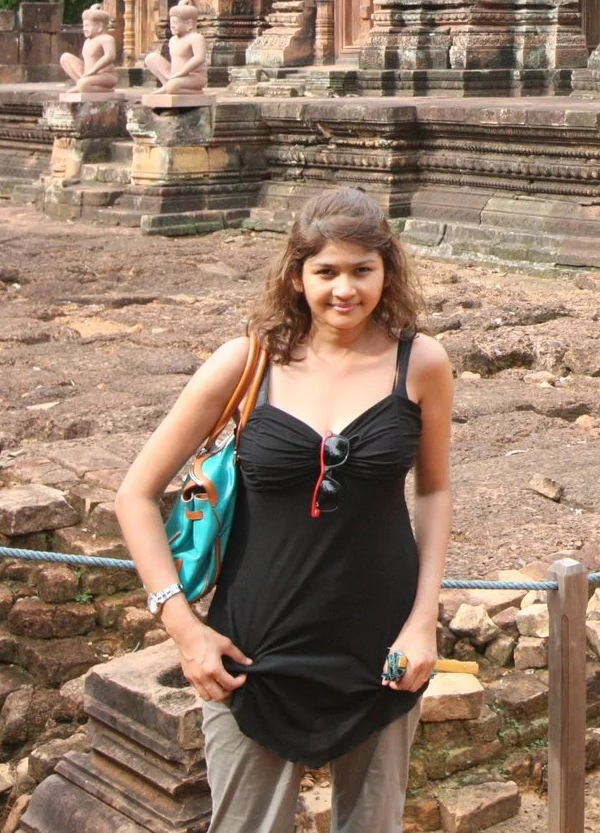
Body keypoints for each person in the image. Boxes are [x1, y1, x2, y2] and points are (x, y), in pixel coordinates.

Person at [114, 189, 453, 833]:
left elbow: (433, 491)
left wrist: (422, 623)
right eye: (326, 271)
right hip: (254, 649)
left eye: (362, 270)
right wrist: (184, 631)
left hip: (379, 643)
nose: (344, 290)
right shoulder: (248, 362)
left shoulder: (421, 363)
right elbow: (134, 495)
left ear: (388, 271)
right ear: (297, 277)